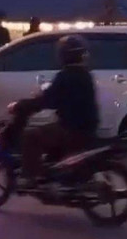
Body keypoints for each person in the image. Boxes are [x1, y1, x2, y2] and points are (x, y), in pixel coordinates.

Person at [9, 35, 99, 188]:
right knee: (48, 132)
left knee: (31, 135)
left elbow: (48, 100)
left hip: (71, 129)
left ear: (65, 55)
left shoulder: (66, 76)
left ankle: (30, 177)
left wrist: (21, 105)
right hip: (85, 127)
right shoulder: (84, 74)